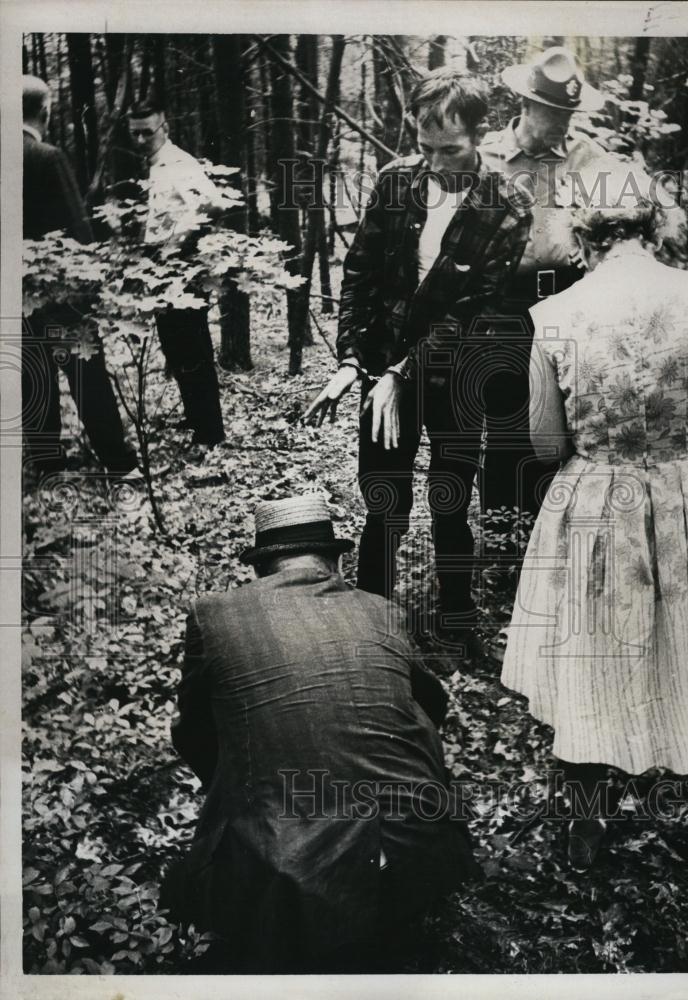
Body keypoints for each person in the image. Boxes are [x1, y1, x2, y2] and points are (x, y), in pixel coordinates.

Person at [500, 167, 688, 881]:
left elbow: (545, 445)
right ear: (656, 220)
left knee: (592, 657)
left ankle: (586, 829)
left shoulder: (557, 315)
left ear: (583, 228)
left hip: (599, 503)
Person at [162, 495, 478, 973]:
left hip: (295, 877)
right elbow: (433, 708)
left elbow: (194, 734)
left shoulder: (215, 615)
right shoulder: (381, 610)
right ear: (334, 561)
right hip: (425, 850)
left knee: (192, 893)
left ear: (262, 568)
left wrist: (245, 786)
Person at [303, 69, 533, 650]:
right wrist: (353, 362)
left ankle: (456, 622)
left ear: (482, 134)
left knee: (451, 501)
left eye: (449, 149)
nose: (434, 163)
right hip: (380, 372)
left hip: (454, 374)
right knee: (384, 500)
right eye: (424, 148)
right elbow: (361, 272)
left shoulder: (508, 204)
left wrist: (401, 375)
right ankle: (371, 628)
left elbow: (476, 309)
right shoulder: (395, 181)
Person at [478, 46, 612, 532]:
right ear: (526, 105)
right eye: (555, 112)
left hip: (568, 299)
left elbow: (617, 229)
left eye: (569, 114)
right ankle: (500, 531)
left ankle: (550, 530)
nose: (563, 123)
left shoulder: (590, 159)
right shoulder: (487, 158)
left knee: (561, 418)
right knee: (506, 418)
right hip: (500, 303)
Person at [22, 74, 139, 481]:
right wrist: (92, 289)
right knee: (88, 377)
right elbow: (78, 231)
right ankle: (117, 462)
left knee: (33, 377)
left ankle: (47, 465)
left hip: (18, 297)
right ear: (46, 111)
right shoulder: (48, 157)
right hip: (62, 296)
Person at [127, 102, 226, 456]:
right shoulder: (155, 164)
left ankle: (209, 432)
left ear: (164, 127)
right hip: (162, 267)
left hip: (180, 269)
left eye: (147, 132)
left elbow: (213, 205)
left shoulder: (178, 164)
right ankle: (196, 418)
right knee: (176, 347)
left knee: (191, 348)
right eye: (134, 132)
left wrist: (177, 245)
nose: (140, 139)